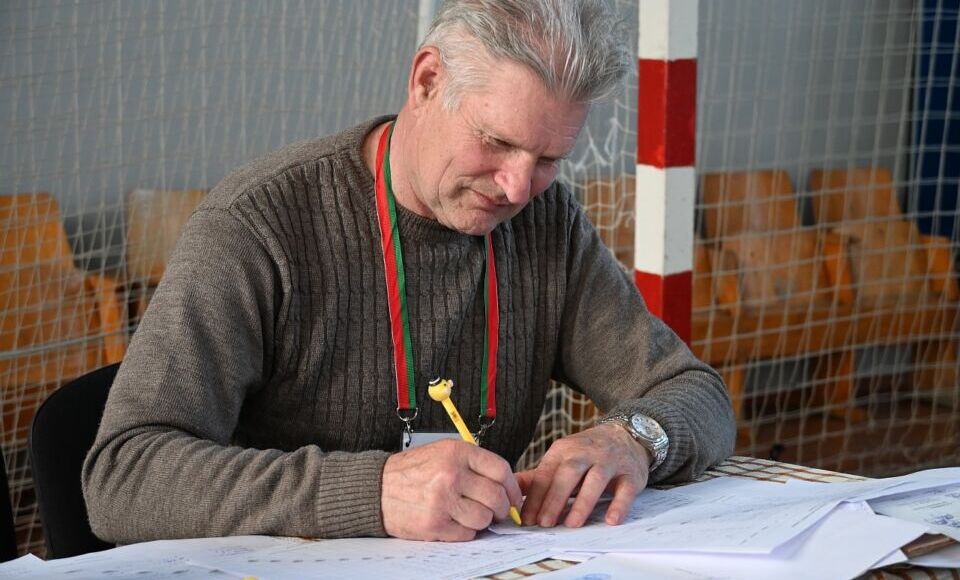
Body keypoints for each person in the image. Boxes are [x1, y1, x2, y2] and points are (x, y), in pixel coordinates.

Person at [83, 0, 735, 544]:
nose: (516, 187)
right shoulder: (258, 225)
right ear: (426, 81)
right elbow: (122, 475)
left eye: (547, 159)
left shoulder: (545, 222)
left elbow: (695, 391)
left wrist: (634, 438)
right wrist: (371, 493)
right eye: (498, 141)